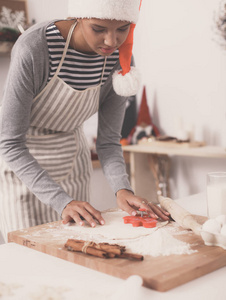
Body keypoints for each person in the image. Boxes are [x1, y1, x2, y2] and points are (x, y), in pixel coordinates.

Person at [0, 0, 169, 242]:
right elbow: (10, 143)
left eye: (123, 29)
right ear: (79, 16)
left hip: (72, 164)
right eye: (98, 29)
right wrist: (62, 201)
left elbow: (109, 142)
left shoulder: (119, 60)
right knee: (31, 259)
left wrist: (123, 190)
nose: (111, 41)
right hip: (22, 169)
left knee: (76, 255)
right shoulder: (36, 47)